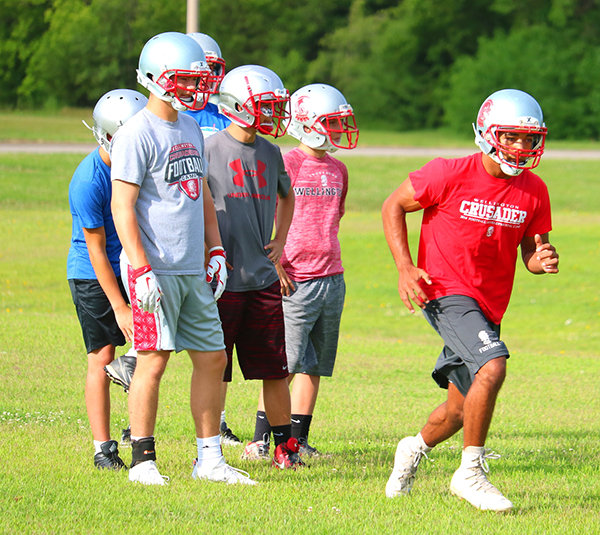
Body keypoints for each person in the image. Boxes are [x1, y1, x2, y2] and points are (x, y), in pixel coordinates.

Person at [381, 88, 559, 511]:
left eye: (528, 139)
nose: (520, 147)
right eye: (511, 136)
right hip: (444, 291)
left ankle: (412, 449)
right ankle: (470, 472)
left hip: (489, 303)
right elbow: (393, 205)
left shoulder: (535, 190)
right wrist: (405, 267)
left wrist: (542, 260)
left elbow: (531, 255)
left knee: (458, 411)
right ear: (486, 133)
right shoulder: (448, 172)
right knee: (493, 364)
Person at [110, 31, 255, 486]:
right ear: (155, 78)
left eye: (198, 78)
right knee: (153, 360)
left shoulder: (190, 124)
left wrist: (213, 248)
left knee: (212, 358)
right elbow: (121, 206)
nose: (196, 88)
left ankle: (209, 458)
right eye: (186, 79)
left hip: (192, 266)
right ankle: (142, 460)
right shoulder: (137, 132)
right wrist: (139, 267)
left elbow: (204, 197)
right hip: (155, 267)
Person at [204, 65, 301, 469]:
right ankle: (208, 447)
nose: (273, 115)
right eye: (266, 106)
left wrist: (280, 239)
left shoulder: (270, 151)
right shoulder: (208, 149)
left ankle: (284, 448)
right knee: (215, 367)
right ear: (239, 106)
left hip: (261, 279)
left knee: (274, 370)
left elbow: (288, 196)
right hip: (223, 281)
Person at [270, 83, 359, 457]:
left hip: (331, 276)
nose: (338, 129)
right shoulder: (286, 163)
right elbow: (267, 220)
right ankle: (263, 441)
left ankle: (299, 439)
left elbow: (333, 219)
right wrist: (274, 266)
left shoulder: (338, 168)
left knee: (314, 365)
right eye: (331, 121)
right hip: (294, 278)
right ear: (306, 122)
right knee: (285, 365)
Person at [67, 88, 147, 469]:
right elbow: (97, 248)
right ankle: (103, 448)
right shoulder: (89, 179)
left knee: (146, 352)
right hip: (93, 273)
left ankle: (138, 432)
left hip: (132, 264)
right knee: (102, 357)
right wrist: (119, 306)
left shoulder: (137, 165)